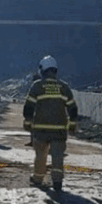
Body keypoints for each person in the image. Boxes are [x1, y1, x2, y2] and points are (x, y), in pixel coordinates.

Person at [23, 55, 78, 193]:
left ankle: (38, 178)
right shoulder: (64, 87)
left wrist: (28, 122)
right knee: (58, 156)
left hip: (40, 129)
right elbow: (72, 107)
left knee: (41, 155)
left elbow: (29, 106)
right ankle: (57, 181)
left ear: (42, 69)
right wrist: (72, 124)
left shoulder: (37, 86)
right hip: (59, 130)